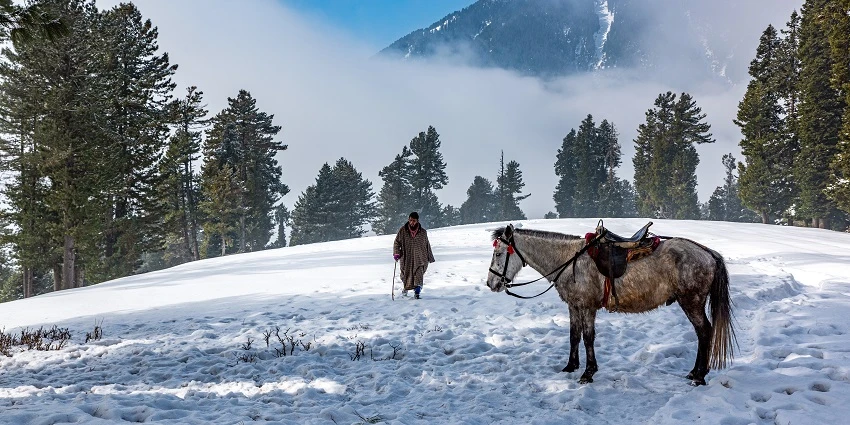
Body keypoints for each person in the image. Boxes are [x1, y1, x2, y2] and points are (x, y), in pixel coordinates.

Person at [393, 211, 435, 299]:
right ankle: (406, 288)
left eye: (414, 220)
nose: (412, 222)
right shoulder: (403, 230)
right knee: (405, 275)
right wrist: (396, 253)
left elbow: (426, 244)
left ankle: (417, 293)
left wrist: (430, 257)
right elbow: (397, 242)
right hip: (406, 258)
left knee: (418, 274)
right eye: (410, 220)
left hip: (420, 258)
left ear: (418, 221)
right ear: (408, 220)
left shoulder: (423, 232)